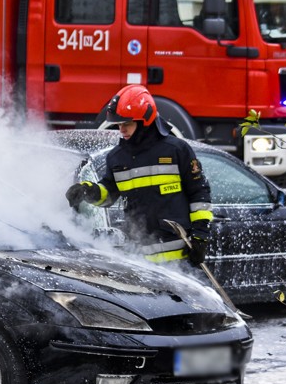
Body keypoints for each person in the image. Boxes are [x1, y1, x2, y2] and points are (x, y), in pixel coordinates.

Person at [65, 84, 212, 266]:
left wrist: (200, 236)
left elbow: (199, 194)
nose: (122, 130)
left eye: (127, 124)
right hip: (140, 261)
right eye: (119, 125)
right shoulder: (117, 158)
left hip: (179, 260)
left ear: (145, 122)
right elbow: (109, 193)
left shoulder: (176, 150)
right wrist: (88, 191)